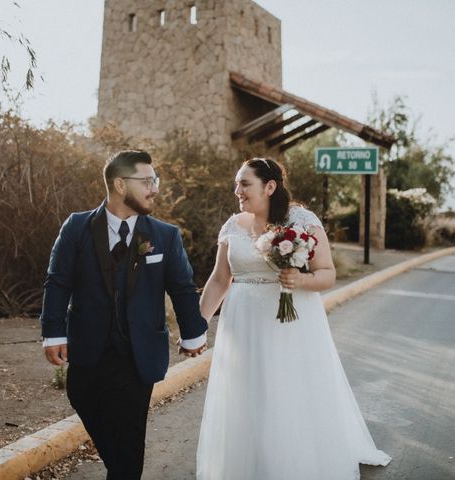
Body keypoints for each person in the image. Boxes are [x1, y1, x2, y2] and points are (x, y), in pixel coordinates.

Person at [196, 158, 391, 479]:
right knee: (246, 395)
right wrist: (197, 326)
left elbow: (327, 274)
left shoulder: (302, 221)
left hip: (289, 324)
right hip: (242, 324)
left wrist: (301, 280)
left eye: (245, 184)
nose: (237, 190)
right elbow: (219, 279)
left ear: (269, 186)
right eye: (236, 183)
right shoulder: (233, 226)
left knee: (283, 393)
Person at [40, 150, 208, 480]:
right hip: (88, 348)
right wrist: (54, 332)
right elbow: (58, 281)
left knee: (129, 437)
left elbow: (183, 288)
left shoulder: (164, 235)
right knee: (82, 398)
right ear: (119, 184)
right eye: (147, 181)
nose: (155, 188)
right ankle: (121, 469)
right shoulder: (77, 227)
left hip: (138, 353)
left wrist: (193, 333)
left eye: (155, 181)